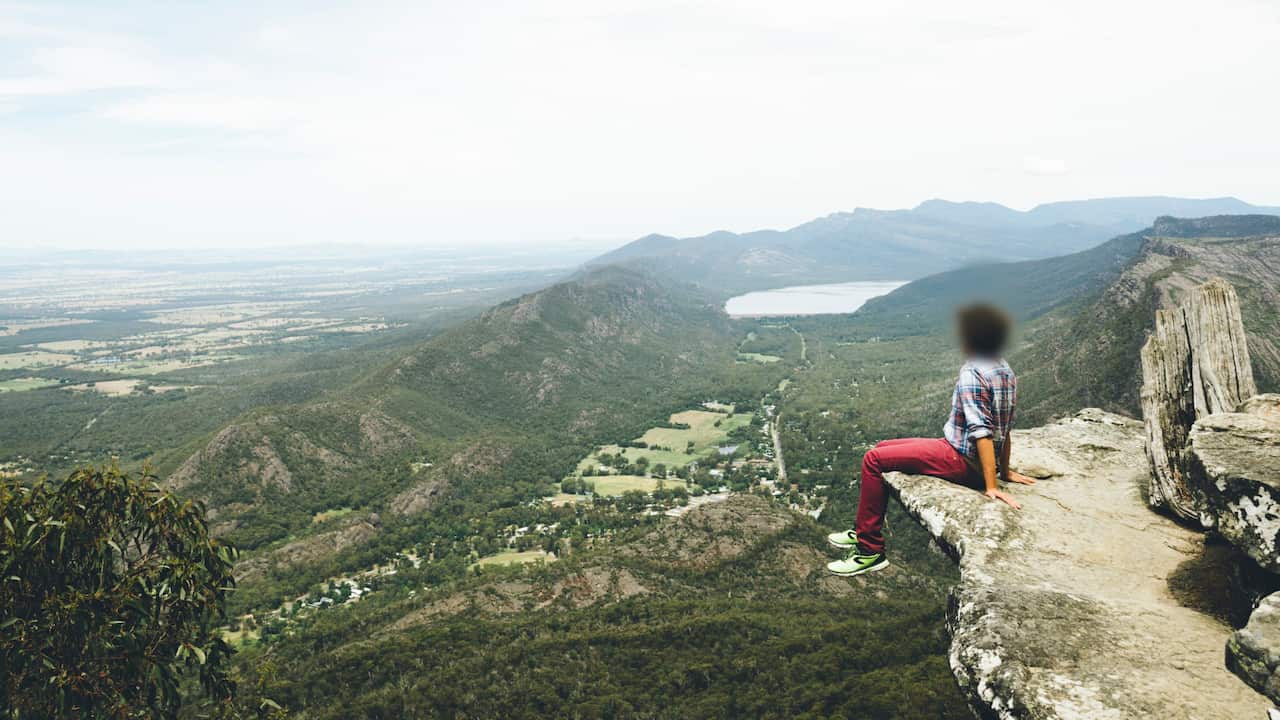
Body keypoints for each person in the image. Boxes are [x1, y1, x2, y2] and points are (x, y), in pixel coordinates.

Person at [825, 303, 1037, 577]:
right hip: (966, 454)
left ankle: (870, 550)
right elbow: (1005, 426)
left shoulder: (973, 373)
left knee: (873, 459)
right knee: (881, 449)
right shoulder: (1005, 370)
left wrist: (991, 486)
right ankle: (862, 529)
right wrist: (1003, 469)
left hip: (959, 458)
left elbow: (983, 431)